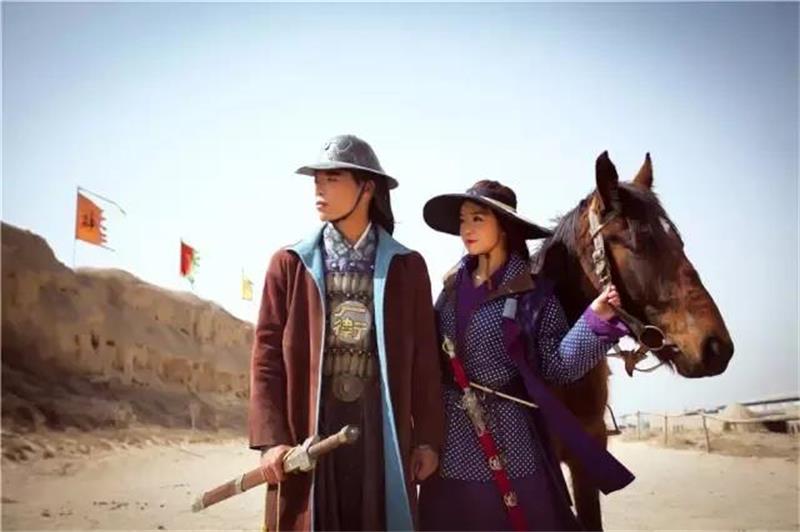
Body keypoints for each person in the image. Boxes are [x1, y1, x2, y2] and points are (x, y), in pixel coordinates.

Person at [249, 134, 445, 531]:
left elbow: (425, 361)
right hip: (309, 425)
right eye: (317, 180)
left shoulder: (407, 267)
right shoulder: (289, 264)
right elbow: (266, 357)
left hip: (379, 429)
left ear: (367, 188)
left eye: (332, 179)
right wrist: (272, 440)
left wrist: (426, 439)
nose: (319, 189)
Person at [418, 180, 634, 531]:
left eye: (477, 219)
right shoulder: (450, 289)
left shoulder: (535, 296)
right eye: (462, 220)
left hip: (511, 441)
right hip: (452, 442)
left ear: (504, 226)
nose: (466, 229)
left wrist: (595, 319)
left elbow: (556, 366)